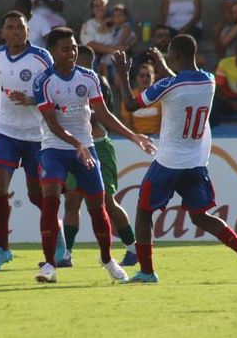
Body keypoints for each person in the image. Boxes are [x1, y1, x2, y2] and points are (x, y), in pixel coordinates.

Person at [112, 34, 237, 284]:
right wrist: (165, 68)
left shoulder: (168, 86)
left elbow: (129, 105)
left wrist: (121, 73)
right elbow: (183, 83)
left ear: (175, 56)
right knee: (200, 216)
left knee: (143, 211)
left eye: (169, 54)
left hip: (169, 162)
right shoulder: (210, 80)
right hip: (195, 162)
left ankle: (147, 272)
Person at [32, 27, 156, 283]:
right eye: (66, 49)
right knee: (51, 199)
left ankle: (107, 259)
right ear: (54, 52)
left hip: (86, 148)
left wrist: (133, 136)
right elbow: (52, 123)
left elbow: (104, 115)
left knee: (98, 206)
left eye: (74, 47)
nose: (72, 53)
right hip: (54, 148)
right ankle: (50, 265)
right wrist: (76, 143)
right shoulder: (43, 81)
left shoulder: (88, 78)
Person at [0, 10, 57, 273]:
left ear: (28, 31)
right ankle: (3, 249)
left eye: (20, 27)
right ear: (3, 32)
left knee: (36, 194)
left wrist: (32, 100)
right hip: (5, 129)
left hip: (36, 134)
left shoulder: (41, 57)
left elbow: (55, 91)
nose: (16, 31)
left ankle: (55, 236)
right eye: (10, 27)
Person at [60, 45, 139, 268]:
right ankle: (66, 254)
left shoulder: (97, 82)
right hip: (76, 149)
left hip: (99, 147)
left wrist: (60, 110)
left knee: (106, 201)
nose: (74, 62)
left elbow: (95, 116)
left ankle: (133, 248)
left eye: (79, 59)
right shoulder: (66, 83)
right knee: (72, 200)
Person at [121, 63, 162, 135]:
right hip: (136, 138)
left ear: (154, 77)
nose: (145, 78)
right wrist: (136, 137)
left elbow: (166, 121)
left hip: (159, 137)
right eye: (142, 75)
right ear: (137, 78)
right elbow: (126, 123)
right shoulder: (129, 97)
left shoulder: (161, 96)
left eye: (148, 76)